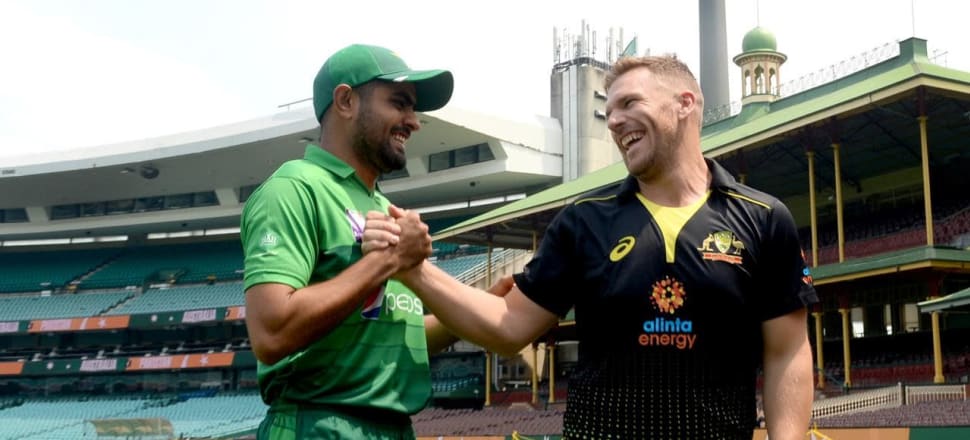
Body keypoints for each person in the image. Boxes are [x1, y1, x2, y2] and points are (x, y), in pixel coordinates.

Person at [364, 55, 819, 439]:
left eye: (629, 103)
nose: (615, 120)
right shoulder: (584, 220)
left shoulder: (762, 218)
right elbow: (508, 327)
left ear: (685, 104)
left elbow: (787, 351)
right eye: (609, 111)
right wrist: (416, 271)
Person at [241, 44, 512, 440]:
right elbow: (270, 334)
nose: (413, 121)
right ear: (346, 101)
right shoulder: (294, 188)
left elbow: (392, 334)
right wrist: (385, 262)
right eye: (399, 103)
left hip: (394, 428)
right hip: (318, 426)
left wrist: (469, 314)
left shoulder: (384, 207)